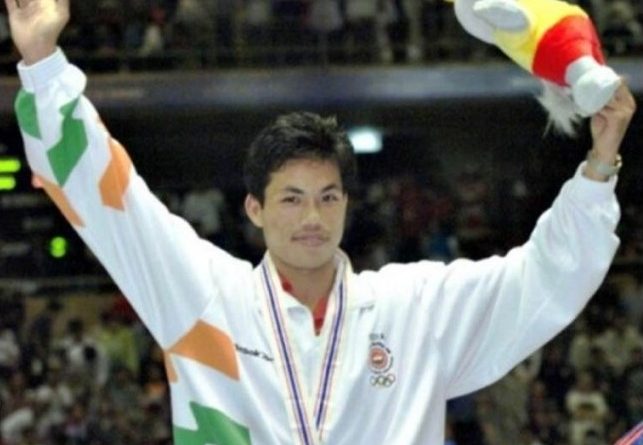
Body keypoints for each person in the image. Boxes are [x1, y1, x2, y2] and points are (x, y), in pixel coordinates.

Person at [3, 0, 637, 443]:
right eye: (291, 198)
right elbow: (108, 198)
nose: (312, 216)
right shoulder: (202, 294)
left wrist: (600, 162)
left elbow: (541, 279)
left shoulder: (415, 308)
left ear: (347, 206)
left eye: (328, 197)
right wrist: (43, 61)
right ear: (254, 209)